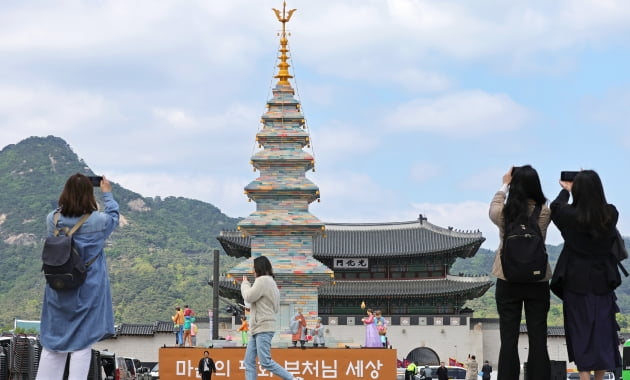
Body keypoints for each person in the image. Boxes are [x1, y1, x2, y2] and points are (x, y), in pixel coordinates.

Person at [36, 173, 119, 380]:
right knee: (82, 344)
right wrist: (107, 194)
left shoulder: (52, 219)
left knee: (54, 344)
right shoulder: (98, 222)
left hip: (57, 289)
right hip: (87, 291)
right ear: (88, 194)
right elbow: (114, 217)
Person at [550, 170, 622, 380]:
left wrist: (567, 190)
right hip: (602, 281)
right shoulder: (610, 214)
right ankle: (599, 378)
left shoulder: (568, 216)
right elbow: (600, 207)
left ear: (577, 190)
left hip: (575, 282)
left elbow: (555, 208)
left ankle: (584, 376)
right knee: (602, 331)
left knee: (580, 330)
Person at [489, 165, 552, 380]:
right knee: (538, 338)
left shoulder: (505, 213)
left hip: (508, 278)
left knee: (508, 338)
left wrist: (504, 184)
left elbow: (493, 209)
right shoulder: (544, 210)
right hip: (538, 279)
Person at [241, 256, 301, 380]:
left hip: (262, 327)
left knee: (265, 362)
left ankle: (293, 379)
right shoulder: (272, 283)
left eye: (254, 268)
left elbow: (248, 296)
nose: (253, 271)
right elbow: (273, 308)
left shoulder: (262, 281)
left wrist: (245, 283)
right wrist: (254, 308)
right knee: (248, 361)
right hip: (259, 327)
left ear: (258, 268)